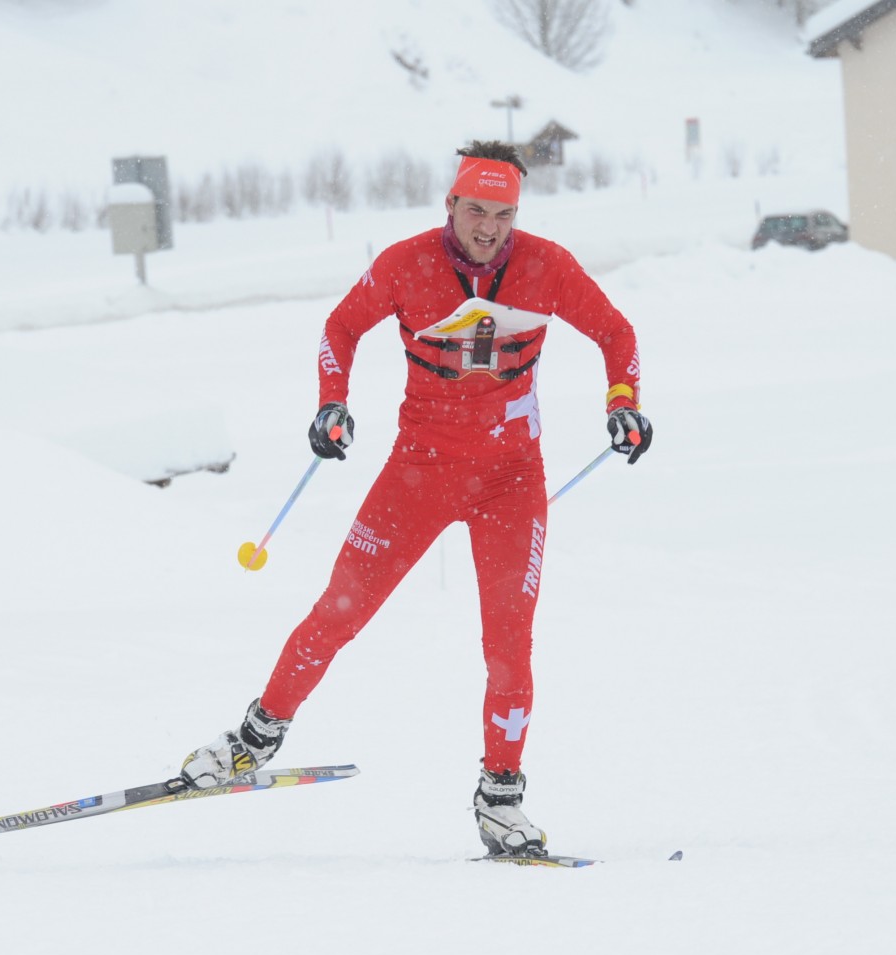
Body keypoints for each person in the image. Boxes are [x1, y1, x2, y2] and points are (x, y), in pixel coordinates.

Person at [180, 140, 652, 856]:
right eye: (476, 210)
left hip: (511, 481)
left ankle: (501, 797)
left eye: (503, 214)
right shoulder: (407, 264)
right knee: (338, 612)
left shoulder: (547, 265)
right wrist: (331, 403)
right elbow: (341, 326)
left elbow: (616, 332)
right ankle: (254, 738)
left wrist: (624, 403)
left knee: (509, 644)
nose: (489, 227)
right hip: (419, 474)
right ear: (450, 204)